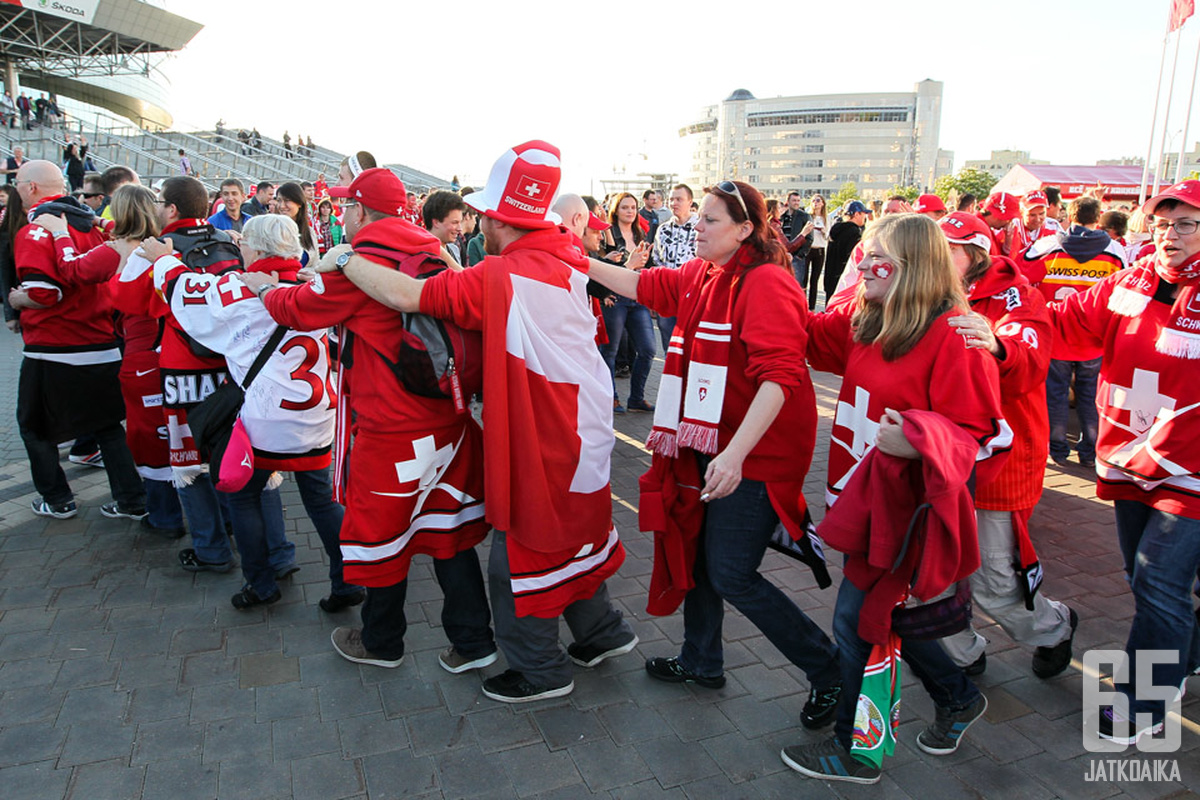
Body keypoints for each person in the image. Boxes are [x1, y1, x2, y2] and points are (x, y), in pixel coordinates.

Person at [315, 141, 636, 703]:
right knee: (577, 534)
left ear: (498, 219)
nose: (478, 222)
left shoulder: (501, 274)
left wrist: (345, 258)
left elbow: (408, 293)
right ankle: (602, 632)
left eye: (484, 213)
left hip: (541, 431)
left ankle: (541, 670)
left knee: (519, 557)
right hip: (586, 424)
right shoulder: (566, 251)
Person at [587, 178, 844, 726]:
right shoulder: (703, 273)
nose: (695, 227)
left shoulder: (767, 283)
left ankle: (831, 671)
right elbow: (640, 283)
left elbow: (780, 380)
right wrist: (572, 262)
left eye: (709, 220)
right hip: (708, 444)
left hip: (755, 454)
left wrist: (733, 458)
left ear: (745, 229)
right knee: (701, 557)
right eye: (697, 217)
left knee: (731, 572)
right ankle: (701, 660)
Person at [781, 213, 1008, 784]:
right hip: (862, 505)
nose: (859, 263)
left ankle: (856, 752)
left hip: (905, 515)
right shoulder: (870, 319)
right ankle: (956, 696)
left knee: (858, 625)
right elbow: (800, 332)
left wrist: (915, 440)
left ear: (913, 265)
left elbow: (981, 433)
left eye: (875, 254)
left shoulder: (957, 336)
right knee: (884, 619)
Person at [242, 168, 496, 666]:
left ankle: (381, 642)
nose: (343, 215)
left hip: (391, 425)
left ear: (360, 211)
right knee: (447, 530)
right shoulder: (430, 248)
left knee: (380, 536)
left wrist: (261, 289)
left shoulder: (362, 261)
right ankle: (474, 643)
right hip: (448, 414)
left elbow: (298, 308)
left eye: (346, 207)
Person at [144, 214, 360, 611]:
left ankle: (260, 585)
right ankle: (347, 580)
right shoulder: (317, 285)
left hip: (265, 418)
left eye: (245, 243)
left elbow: (183, 291)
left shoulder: (239, 288)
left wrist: (162, 258)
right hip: (316, 413)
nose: (239, 248)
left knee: (244, 498)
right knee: (321, 500)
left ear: (258, 249)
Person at [1049, 179, 1200, 745]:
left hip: (1192, 468)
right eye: (1162, 224)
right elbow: (1061, 328)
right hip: (1129, 458)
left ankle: (1145, 699)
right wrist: (996, 335)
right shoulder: (1126, 282)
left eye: (1185, 224)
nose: (1170, 235)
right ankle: (1182, 656)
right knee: (1145, 576)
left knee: (1158, 579)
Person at [934, 212, 1077, 679]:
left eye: (949, 248)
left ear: (975, 254)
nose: (936, 256)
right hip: (940, 459)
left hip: (999, 464)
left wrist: (995, 345)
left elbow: (1028, 358)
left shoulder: (1016, 295)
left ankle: (1054, 627)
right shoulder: (924, 293)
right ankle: (962, 654)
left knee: (996, 582)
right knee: (933, 570)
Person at [8, 160, 145, 519]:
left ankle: (57, 499)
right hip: (101, 343)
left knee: (34, 427)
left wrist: (17, 300)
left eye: (19, 184)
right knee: (107, 428)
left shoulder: (39, 228)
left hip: (53, 347)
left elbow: (44, 291)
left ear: (31, 188)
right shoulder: (96, 227)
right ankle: (132, 500)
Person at [1021, 196, 1127, 468]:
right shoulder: (1115, 250)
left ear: (1070, 214)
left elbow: (1020, 272)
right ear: (1099, 216)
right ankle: (1090, 452)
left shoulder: (1048, 246)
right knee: (1091, 396)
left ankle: (1057, 450)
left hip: (1055, 335)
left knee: (1054, 395)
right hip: (1095, 339)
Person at [600, 192, 657, 413]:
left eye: (633, 207)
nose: (631, 211)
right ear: (616, 210)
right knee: (610, 351)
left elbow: (649, 265)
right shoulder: (607, 234)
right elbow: (601, 264)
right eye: (625, 207)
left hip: (638, 296)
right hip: (614, 298)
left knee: (648, 349)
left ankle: (637, 398)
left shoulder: (640, 233)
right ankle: (611, 398)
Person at [649, 184, 698, 348]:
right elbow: (657, 261)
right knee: (669, 346)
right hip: (668, 296)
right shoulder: (663, 229)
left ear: (690, 201)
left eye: (679, 199)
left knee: (692, 346)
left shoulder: (701, 228)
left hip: (694, 296)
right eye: (671, 199)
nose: (674, 203)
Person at [821, 200, 868, 308]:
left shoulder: (836, 229)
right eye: (863, 214)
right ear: (857, 214)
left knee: (829, 310)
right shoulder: (854, 232)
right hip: (844, 281)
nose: (865, 217)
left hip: (831, 277)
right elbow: (852, 258)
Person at [273, 182, 319, 266]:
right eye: (279, 200)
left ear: (299, 203)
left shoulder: (309, 232)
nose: (282, 206)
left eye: (287, 201)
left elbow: (315, 264)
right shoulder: (271, 230)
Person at [1003, 190, 1055, 258]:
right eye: (1032, 215)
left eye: (1042, 214)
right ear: (1021, 212)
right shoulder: (1012, 225)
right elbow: (1005, 254)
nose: (1037, 219)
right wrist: (1008, 240)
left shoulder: (1053, 226)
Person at [422, 190, 467, 262]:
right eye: (454, 222)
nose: (460, 229)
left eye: (460, 222)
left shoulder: (455, 250)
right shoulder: (421, 255)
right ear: (436, 222)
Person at [781, 191, 813, 286]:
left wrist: (800, 255)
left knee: (796, 285)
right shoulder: (782, 216)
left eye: (798, 200)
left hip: (796, 257)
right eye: (794, 200)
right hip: (783, 255)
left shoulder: (805, 216)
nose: (796, 203)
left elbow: (810, 238)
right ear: (788, 201)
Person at [804, 194, 829, 305]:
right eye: (813, 200)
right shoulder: (807, 216)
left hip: (819, 250)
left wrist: (824, 231)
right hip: (808, 249)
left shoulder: (827, 218)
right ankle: (802, 304)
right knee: (803, 278)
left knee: (814, 280)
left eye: (818, 200)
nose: (816, 202)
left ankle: (812, 307)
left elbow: (829, 237)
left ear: (823, 203)